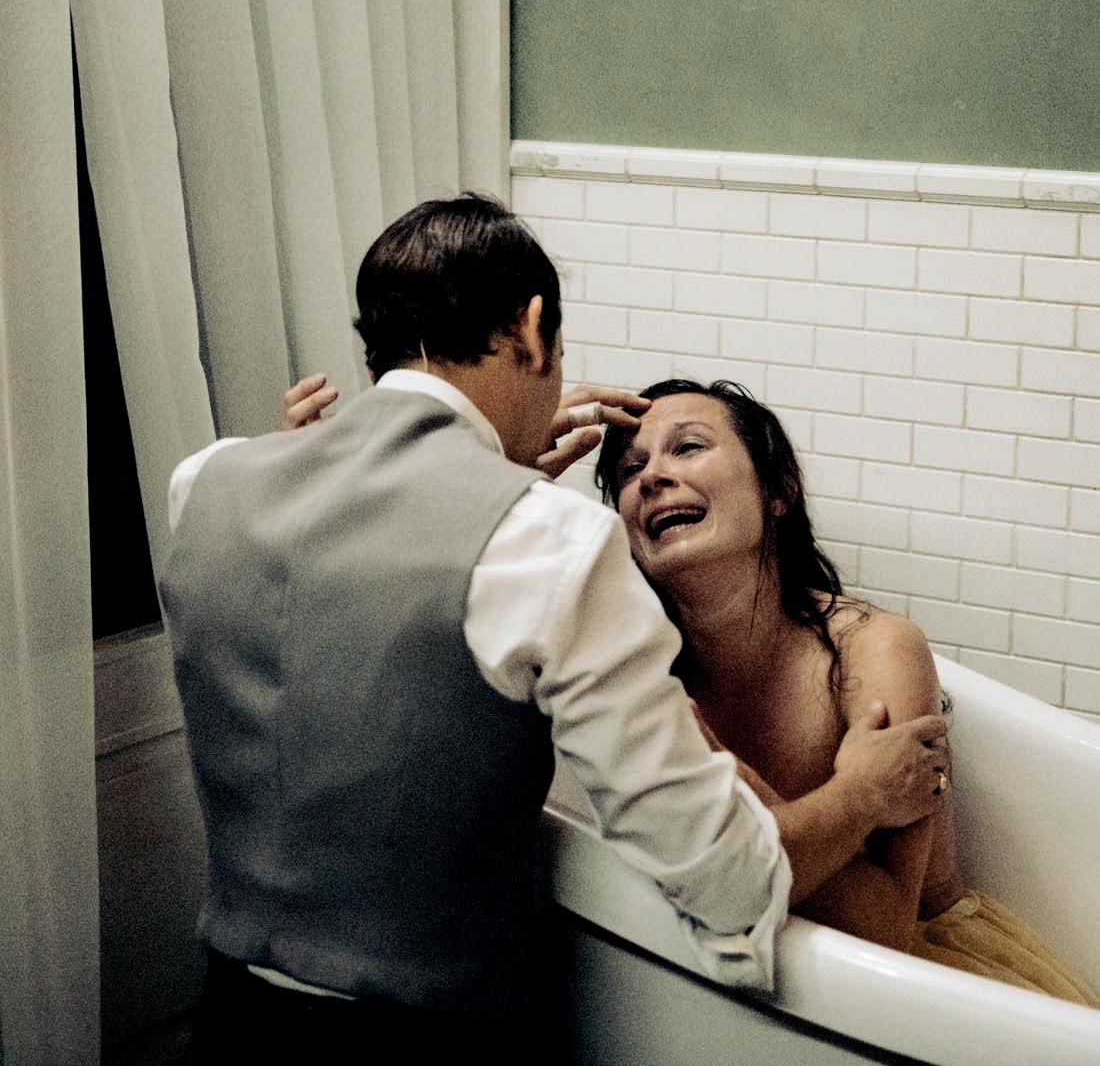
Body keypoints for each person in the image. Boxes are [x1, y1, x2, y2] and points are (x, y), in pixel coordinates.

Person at [160, 196, 951, 1063]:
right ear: (533, 329)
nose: (652, 478)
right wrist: (863, 792)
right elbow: (728, 889)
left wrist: (490, 476)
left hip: (229, 1023)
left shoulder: (207, 482)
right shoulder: (549, 538)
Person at [594, 377, 1100, 1007]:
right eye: (630, 469)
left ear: (779, 490)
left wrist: (722, 780)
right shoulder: (626, 667)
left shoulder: (873, 650)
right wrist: (858, 794)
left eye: (689, 447)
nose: (652, 477)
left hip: (922, 979)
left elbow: (884, 927)